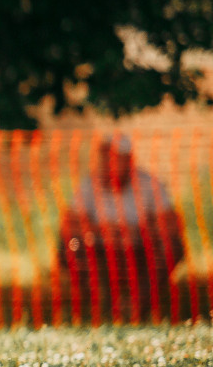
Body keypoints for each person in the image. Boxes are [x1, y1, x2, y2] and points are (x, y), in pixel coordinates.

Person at [58, 134, 185, 319]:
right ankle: (101, 304)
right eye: (105, 158)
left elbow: (172, 224)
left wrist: (139, 231)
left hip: (139, 247)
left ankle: (137, 305)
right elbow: (69, 223)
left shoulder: (149, 184)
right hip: (99, 247)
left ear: (128, 160)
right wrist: (99, 230)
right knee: (70, 244)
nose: (108, 164)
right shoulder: (90, 184)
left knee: (172, 246)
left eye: (113, 159)